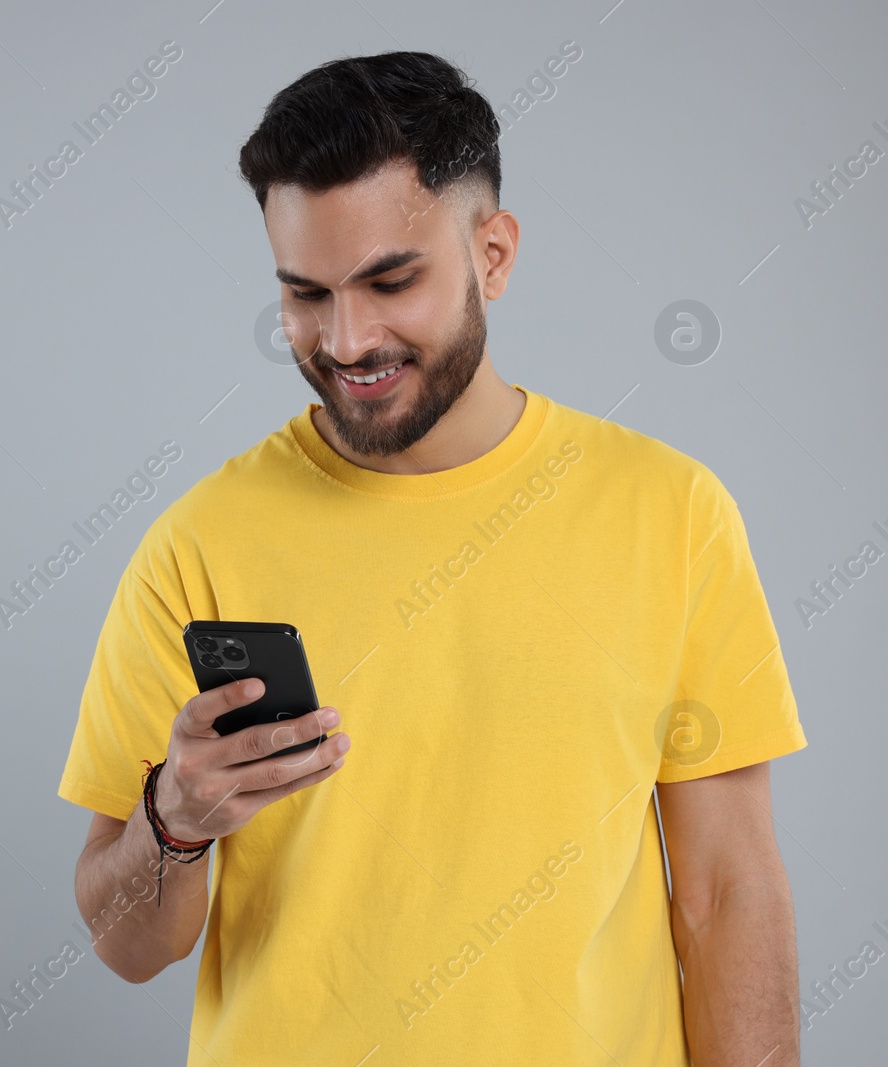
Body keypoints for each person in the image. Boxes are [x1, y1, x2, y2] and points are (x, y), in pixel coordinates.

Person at [57, 50, 806, 1066]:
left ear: (492, 254)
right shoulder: (201, 544)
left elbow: (727, 892)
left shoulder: (670, 513)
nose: (347, 337)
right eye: (305, 294)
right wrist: (174, 822)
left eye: (390, 279)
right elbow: (124, 944)